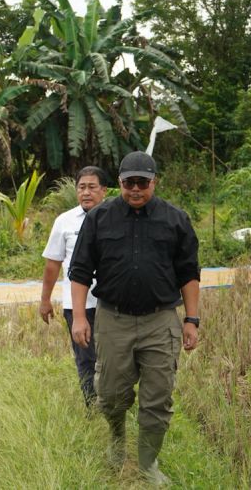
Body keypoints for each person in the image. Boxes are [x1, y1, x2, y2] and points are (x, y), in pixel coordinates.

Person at [69, 151, 200, 485]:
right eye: (130, 183)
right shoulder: (99, 218)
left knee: (158, 398)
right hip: (114, 319)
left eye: (143, 182)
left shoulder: (176, 219)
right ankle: (116, 437)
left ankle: (147, 464)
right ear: (120, 183)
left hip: (161, 321)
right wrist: (80, 318)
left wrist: (192, 320)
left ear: (154, 181)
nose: (136, 189)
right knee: (111, 395)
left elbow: (189, 273)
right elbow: (81, 271)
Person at [39, 166, 108, 408]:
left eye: (92, 187)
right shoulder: (65, 221)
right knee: (86, 359)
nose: (86, 193)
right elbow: (52, 264)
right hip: (77, 305)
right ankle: (93, 407)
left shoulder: (116, 218)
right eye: (81, 187)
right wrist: (45, 300)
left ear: (104, 190)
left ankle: (113, 404)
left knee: (112, 359)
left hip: (112, 304)